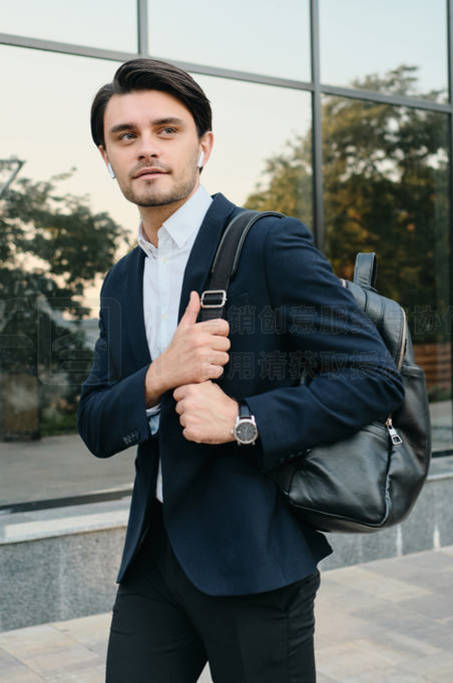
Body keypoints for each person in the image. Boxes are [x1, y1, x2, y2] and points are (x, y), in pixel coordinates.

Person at [77, 58, 404, 682]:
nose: (146, 148)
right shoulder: (122, 278)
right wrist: (158, 376)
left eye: (166, 130)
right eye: (126, 136)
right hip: (153, 562)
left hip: (256, 561)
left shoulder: (267, 243)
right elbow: (95, 423)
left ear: (203, 145)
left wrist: (243, 420)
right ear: (107, 155)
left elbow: (373, 377)